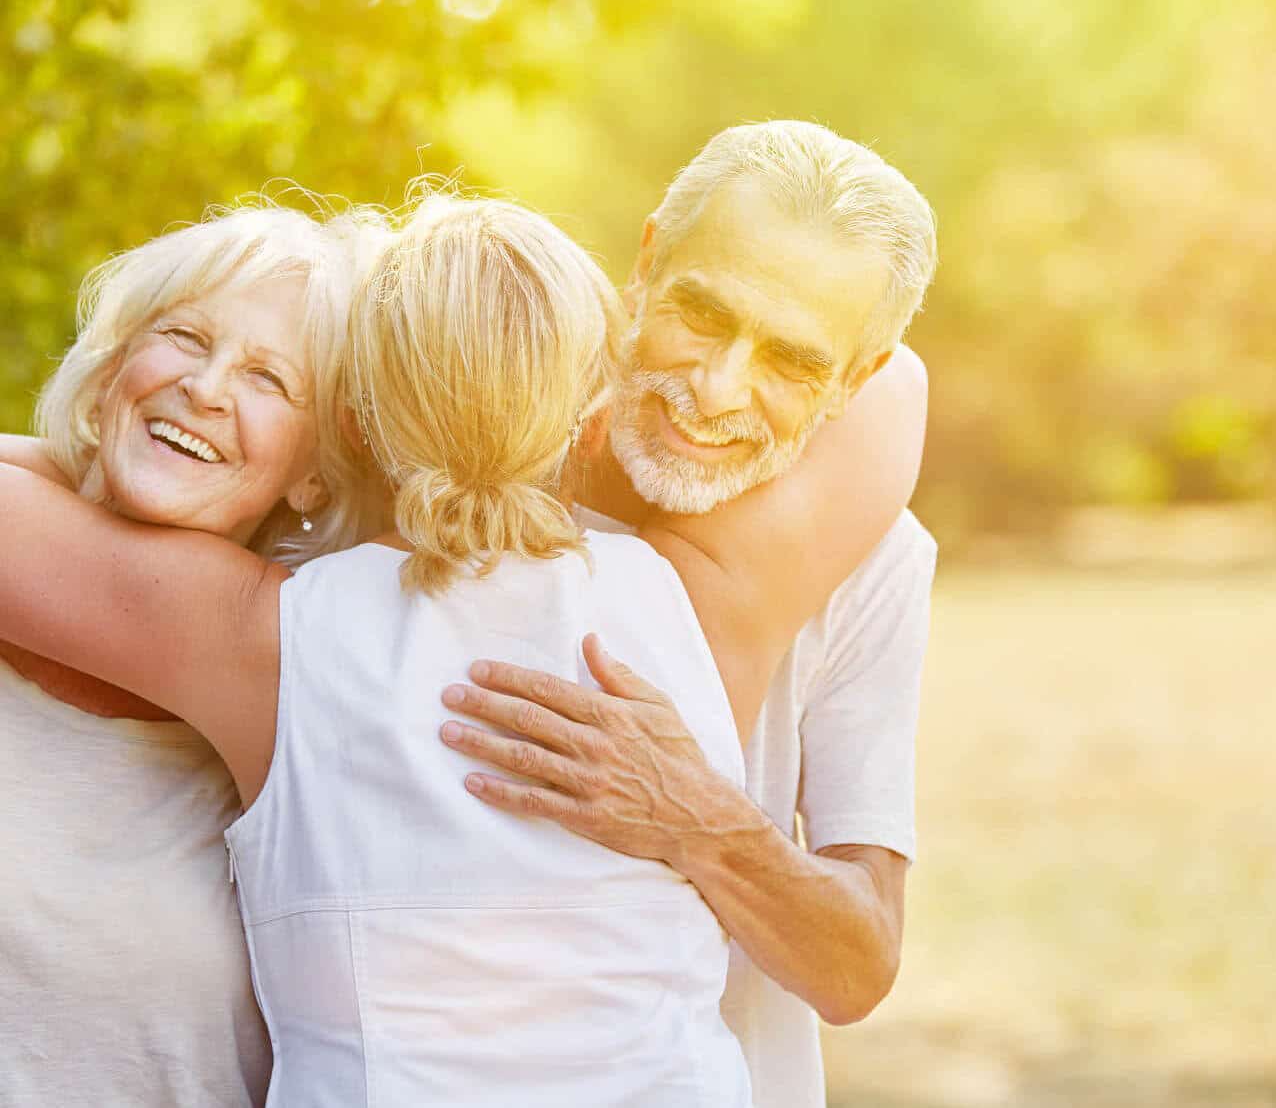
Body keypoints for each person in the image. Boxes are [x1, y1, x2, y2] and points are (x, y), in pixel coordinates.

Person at [0, 191, 912, 1105]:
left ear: (350, 427)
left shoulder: (263, 636)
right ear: (588, 414)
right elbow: (898, 380)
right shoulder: (692, 603)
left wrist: (84, 449)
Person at [437, 120, 939, 1108]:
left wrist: (701, 824)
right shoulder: (469, 450)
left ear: (860, 377)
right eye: (702, 314)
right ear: (648, 255)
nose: (713, 391)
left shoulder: (877, 557)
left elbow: (856, 964)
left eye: (790, 363)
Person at [0, 200, 380, 1105]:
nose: (206, 388)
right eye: (183, 336)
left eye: (268, 379)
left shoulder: (302, 675)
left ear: (315, 472)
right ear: (113, 365)